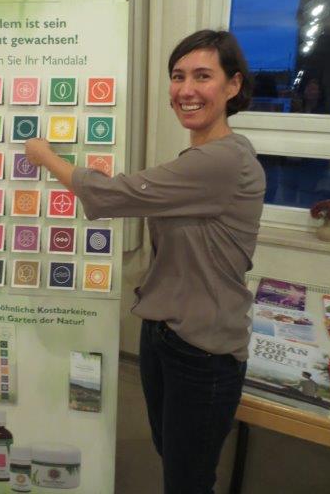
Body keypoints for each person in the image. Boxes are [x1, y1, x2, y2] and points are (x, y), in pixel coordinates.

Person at [25, 29, 266, 494]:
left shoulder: (222, 161)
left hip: (203, 349)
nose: (186, 89)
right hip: (164, 333)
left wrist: (47, 158)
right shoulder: (199, 155)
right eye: (178, 76)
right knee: (171, 453)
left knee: (188, 479)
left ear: (233, 85)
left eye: (202, 76)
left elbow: (114, 194)